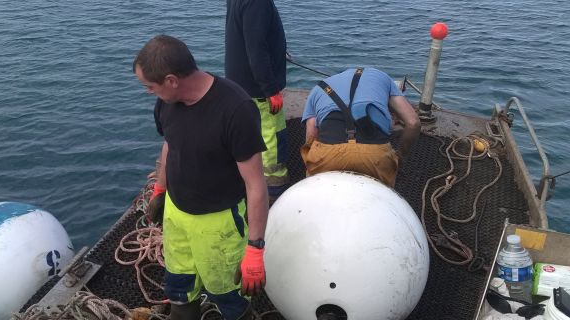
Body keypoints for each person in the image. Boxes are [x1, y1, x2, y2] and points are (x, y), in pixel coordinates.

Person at [133, 35, 269, 320]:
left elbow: (255, 184)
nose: (148, 92)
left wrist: (255, 248)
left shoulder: (236, 109)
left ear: (171, 80)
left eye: (150, 86)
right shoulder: (167, 103)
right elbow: (170, 144)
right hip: (177, 217)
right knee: (180, 291)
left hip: (219, 224)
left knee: (230, 298)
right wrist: (160, 189)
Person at [301, 67, 420, 187]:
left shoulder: (318, 88)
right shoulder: (383, 77)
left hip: (328, 154)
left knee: (315, 188)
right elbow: (413, 123)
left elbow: (311, 136)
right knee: (381, 193)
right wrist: (400, 157)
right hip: (375, 156)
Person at [224, 0, 289, 201]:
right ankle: (273, 189)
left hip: (239, 83)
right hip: (258, 88)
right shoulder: (258, 3)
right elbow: (256, 48)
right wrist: (270, 90)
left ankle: (248, 180)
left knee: (249, 132)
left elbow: (249, 35)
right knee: (272, 134)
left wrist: (278, 52)